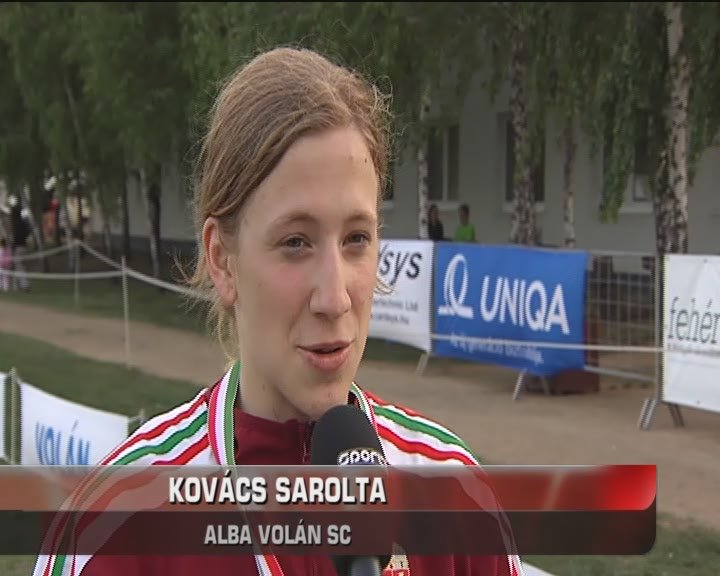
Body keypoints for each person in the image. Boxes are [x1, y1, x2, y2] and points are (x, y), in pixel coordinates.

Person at [33, 47, 523, 576]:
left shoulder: (453, 493)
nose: (335, 298)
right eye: (295, 242)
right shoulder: (116, 524)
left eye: (357, 238)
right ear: (222, 260)